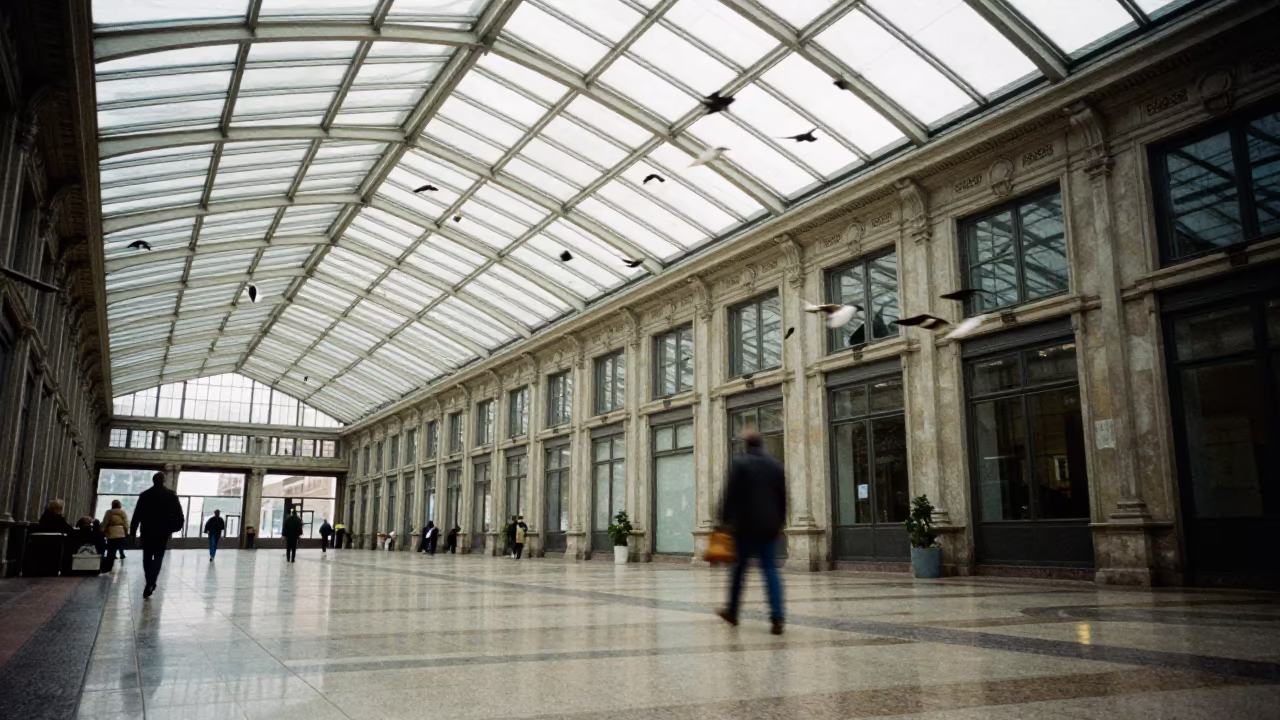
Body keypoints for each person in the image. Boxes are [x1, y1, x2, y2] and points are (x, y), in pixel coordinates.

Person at [717, 430, 787, 635]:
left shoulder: (740, 463)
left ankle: (732, 611)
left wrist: (724, 521)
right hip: (768, 526)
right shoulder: (775, 465)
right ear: (761, 444)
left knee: (739, 570)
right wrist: (780, 522)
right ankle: (778, 616)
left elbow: (730, 494)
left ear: (746, 445)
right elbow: (783, 498)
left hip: (745, 526)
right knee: (770, 570)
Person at [130, 472, 185, 599]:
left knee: (147, 557)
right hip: (162, 532)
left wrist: (132, 533)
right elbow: (179, 514)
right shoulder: (170, 495)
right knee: (158, 557)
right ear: (164, 481)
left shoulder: (145, 495)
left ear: (153, 481)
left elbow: (137, 515)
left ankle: (149, 582)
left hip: (147, 531)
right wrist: (173, 528)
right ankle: (152, 582)